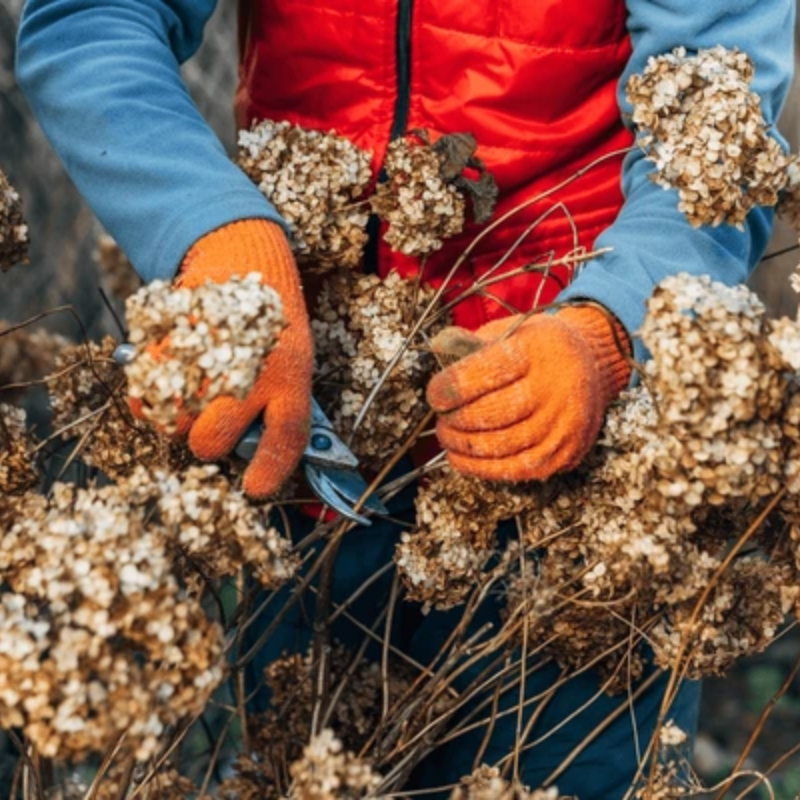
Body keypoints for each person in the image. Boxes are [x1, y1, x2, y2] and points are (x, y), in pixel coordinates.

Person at [15, 1, 795, 796]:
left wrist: (614, 328)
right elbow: (90, 19)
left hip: (578, 486)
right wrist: (211, 236)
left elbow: (722, 111)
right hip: (306, 437)